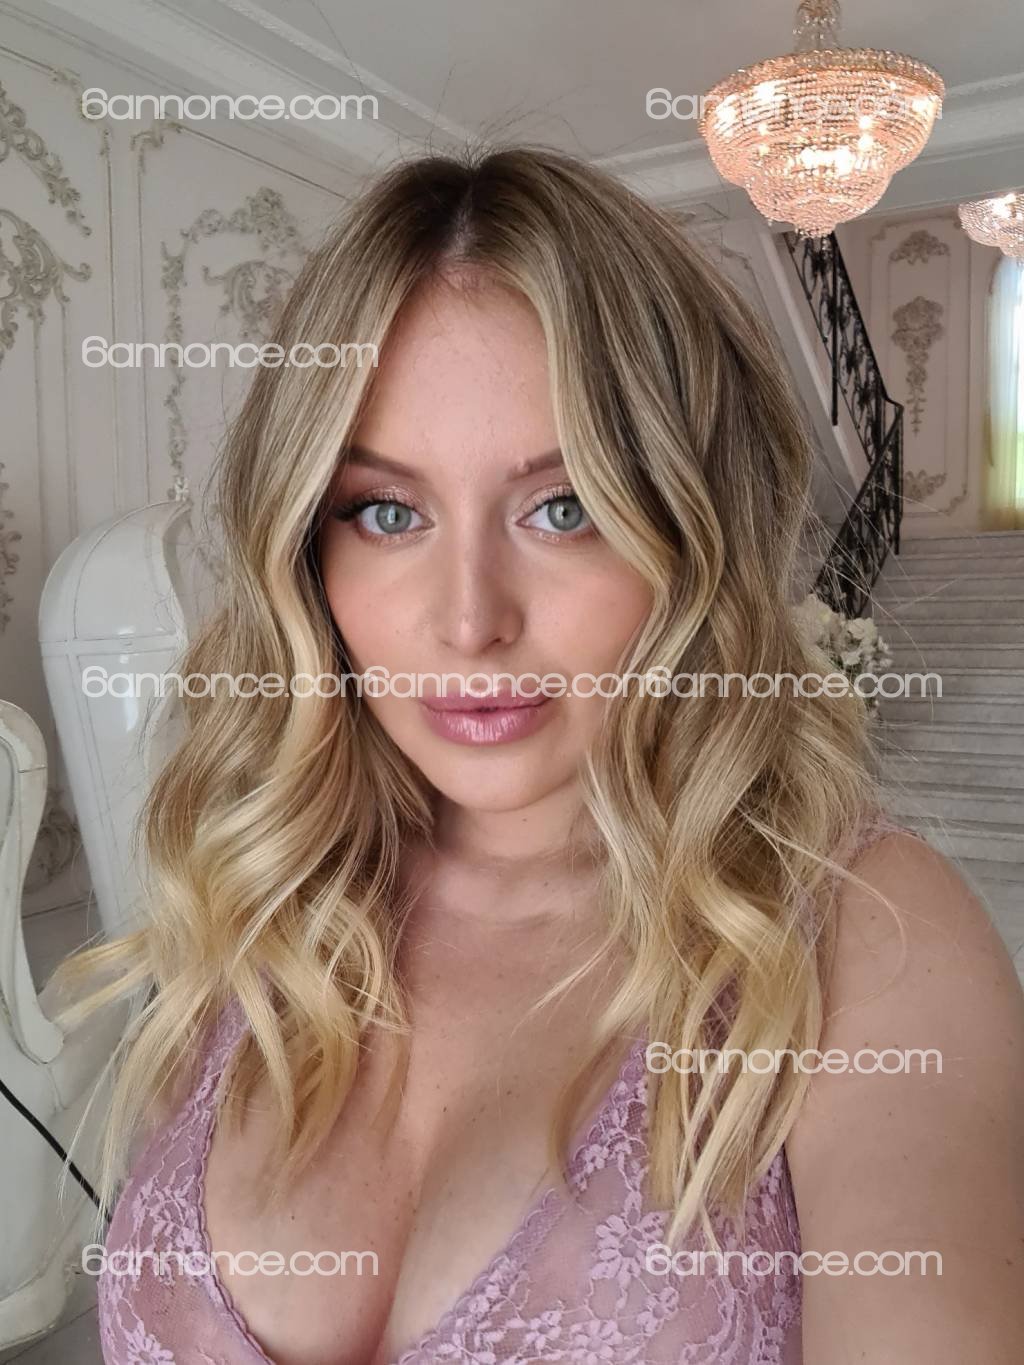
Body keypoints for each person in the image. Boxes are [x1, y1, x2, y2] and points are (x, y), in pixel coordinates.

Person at [54, 147, 1022, 1364]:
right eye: (387, 512)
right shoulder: (265, 890)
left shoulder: (865, 938)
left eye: (564, 509)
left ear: (694, 535)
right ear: (308, 547)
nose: (470, 623)